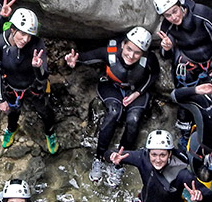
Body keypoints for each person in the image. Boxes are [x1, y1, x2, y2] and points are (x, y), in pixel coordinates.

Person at [64, 26, 159, 186]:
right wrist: (75, 61)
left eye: (137, 53)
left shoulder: (148, 59)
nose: (131, 55)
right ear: (123, 45)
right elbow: (88, 57)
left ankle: (119, 161)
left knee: (133, 120)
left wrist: (138, 93)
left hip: (135, 91)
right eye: (129, 49)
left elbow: (153, 74)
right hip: (112, 86)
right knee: (114, 112)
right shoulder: (111, 51)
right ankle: (99, 157)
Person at [154, 0, 212, 142]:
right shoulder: (166, 27)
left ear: (180, 5)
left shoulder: (201, 13)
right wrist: (166, 48)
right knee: (185, 97)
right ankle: (186, 130)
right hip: (187, 64)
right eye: (168, 15)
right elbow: (165, 55)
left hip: (211, 60)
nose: (174, 17)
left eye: (175, 11)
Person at [0, 8, 58, 154]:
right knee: (13, 112)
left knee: (45, 111)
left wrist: (37, 67)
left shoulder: (37, 44)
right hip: (11, 86)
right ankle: (11, 129)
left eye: (29, 35)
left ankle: (50, 132)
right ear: (13, 29)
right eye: (22, 33)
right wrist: (0, 98)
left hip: (33, 86)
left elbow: (43, 76)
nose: (26, 39)